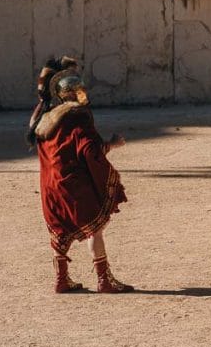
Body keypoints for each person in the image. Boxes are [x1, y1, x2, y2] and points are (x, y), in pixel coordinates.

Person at [26, 57, 133, 294]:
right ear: (75, 92)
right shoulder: (77, 116)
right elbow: (89, 150)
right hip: (74, 185)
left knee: (59, 231)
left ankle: (61, 279)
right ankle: (104, 280)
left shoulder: (45, 118)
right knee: (95, 228)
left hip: (50, 187)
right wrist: (112, 144)